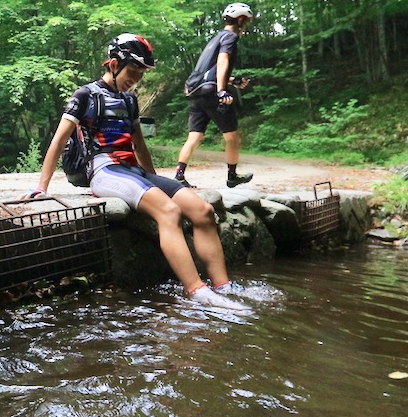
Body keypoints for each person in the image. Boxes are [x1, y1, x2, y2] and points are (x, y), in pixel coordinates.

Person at [24, 34, 250, 312]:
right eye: (133, 72)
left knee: (202, 211)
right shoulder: (86, 95)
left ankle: (223, 286)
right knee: (168, 211)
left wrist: (158, 182)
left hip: (133, 171)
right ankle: (198, 292)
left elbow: (139, 145)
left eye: (141, 74)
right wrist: (42, 187)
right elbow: (58, 141)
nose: (137, 79)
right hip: (104, 171)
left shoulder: (130, 101)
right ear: (114, 63)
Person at [174, 3, 256, 189]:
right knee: (232, 137)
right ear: (241, 20)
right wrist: (221, 90)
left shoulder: (215, 38)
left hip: (197, 93)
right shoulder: (230, 37)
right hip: (212, 94)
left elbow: (208, 72)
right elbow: (222, 61)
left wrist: (232, 80)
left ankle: (179, 175)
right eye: (247, 21)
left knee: (194, 137)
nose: (247, 25)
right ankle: (232, 176)